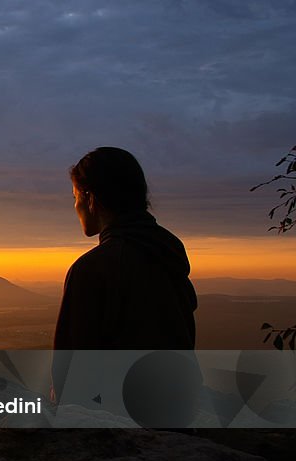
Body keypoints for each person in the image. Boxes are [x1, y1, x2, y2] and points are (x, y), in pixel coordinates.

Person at [51, 147, 198, 401]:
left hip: (119, 423)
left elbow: (70, 375)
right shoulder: (168, 252)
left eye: (75, 196)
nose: (75, 205)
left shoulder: (92, 268)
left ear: (90, 198)